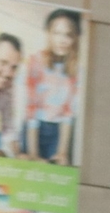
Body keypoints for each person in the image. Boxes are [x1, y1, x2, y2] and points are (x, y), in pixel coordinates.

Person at [23, 9, 82, 164]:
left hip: (57, 133)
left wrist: (62, 152)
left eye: (68, 35)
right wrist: (33, 154)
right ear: (48, 34)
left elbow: (68, 114)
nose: (62, 40)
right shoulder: (36, 62)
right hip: (33, 130)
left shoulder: (76, 71)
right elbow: (31, 110)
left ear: (75, 38)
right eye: (56, 33)